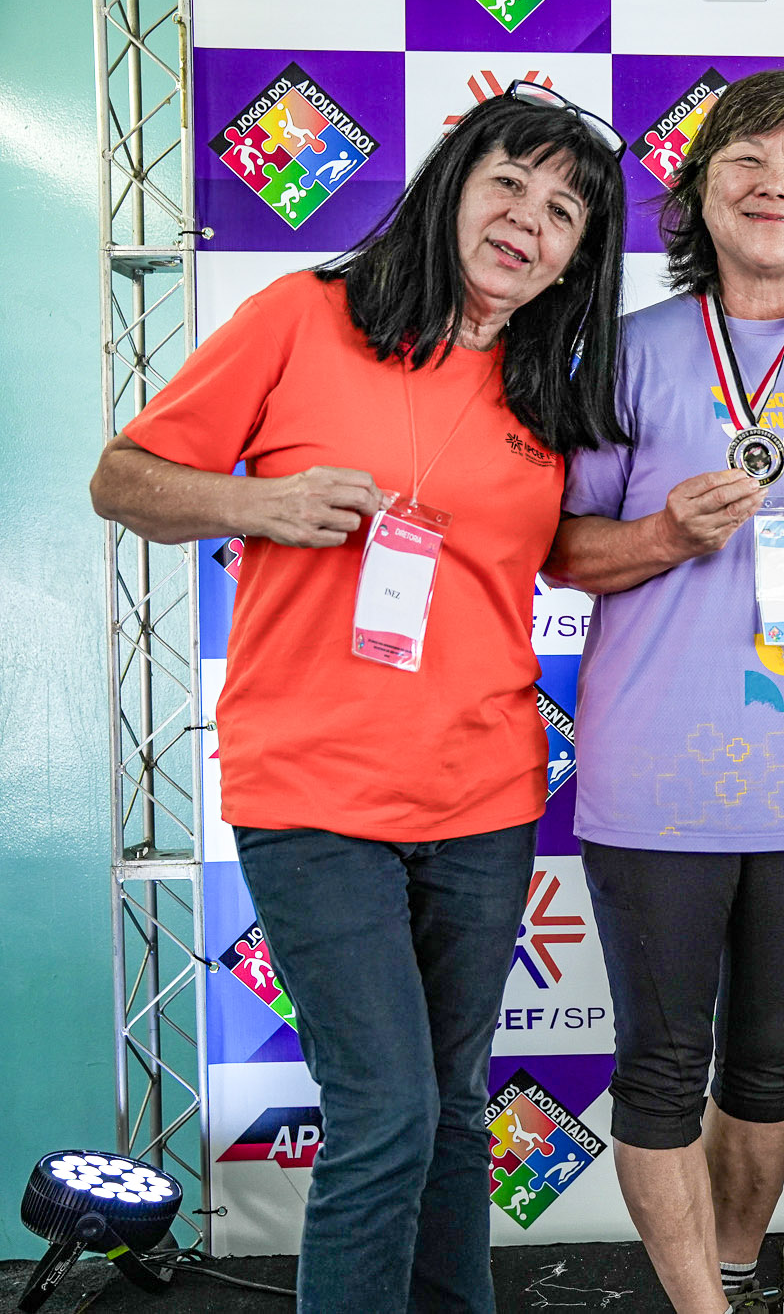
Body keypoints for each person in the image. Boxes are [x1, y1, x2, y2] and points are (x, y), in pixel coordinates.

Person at [87, 83, 630, 1314]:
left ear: (574, 261)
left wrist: (673, 535)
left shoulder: (547, 390)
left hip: (485, 795)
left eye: (563, 213)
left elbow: (558, 558)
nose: (528, 221)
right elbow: (123, 479)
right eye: (508, 183)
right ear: (451, 187)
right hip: (312, 790)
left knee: (450, 1109)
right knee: (385, 1109)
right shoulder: (301, 315)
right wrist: (255, 503)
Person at [540, 69, 784, 1314]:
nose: (774, 186)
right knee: (660, 1066)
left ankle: (739, 1273)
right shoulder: (628, 348)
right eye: (745, 161)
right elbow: (559, 549)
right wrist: (663, 536)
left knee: (767, 1064)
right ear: (700, 193)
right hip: (658, 769)